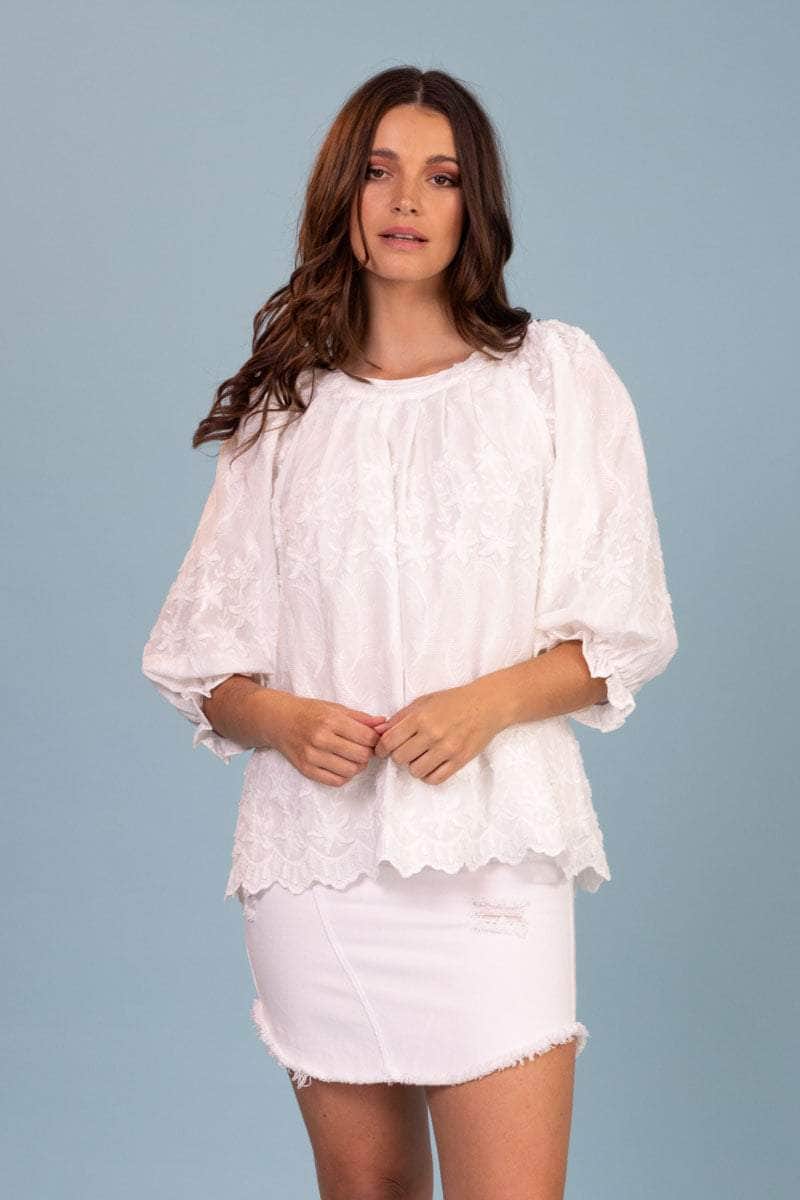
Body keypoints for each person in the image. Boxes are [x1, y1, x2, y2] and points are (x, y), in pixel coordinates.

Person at [141, 65, 678, 1200]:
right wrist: (281, 719)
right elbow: (201, 661)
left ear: (474, 204)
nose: (406, 201)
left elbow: (623, 630)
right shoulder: (286, 409)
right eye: (380, 171)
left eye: (441, 178)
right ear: (342, 192)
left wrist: (483, 706)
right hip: (316, 864)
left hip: (491, 850)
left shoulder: (551, 377)